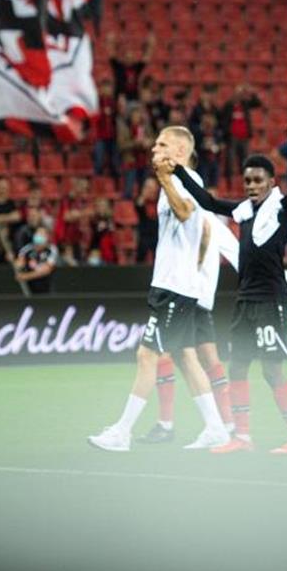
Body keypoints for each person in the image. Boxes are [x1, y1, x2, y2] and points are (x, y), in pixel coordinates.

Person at [88, 127, 231, 451]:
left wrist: (165, 180)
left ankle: (122, 432)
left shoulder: (184, 180)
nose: (154, 149)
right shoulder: (178, 182)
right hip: (173, 285)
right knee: (184, 357)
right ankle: (216, 428)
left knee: (147, 354)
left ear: (180, 152)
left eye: (162, 144)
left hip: (176, 287)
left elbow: (184, 213)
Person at [170, 151, 287, 455]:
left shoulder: (282, 209)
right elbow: (208, 203)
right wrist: (179, 172)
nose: (251, 185)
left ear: (271, 182)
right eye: (247, 180)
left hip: (271, 300)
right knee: (236, 368)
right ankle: (243, 437)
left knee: (271, 371)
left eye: (257, 180)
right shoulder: (244, 211)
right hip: (246, 300)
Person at [141, 211, 239, 444]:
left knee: (167, 352)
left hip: (186, 293)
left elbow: (231, 250)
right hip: (202, 298)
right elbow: (236, 252)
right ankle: (227, 424)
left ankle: (166, 424)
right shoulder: (207, 220)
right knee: (208, 360)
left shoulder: (197, 218)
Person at [14, 225, 57, 293]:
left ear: (47, 237)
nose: (39, 236)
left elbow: (46, 270)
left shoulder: (52, 249)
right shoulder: (27, 249)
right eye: (37, 233)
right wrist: (16, 263)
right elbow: (19, 263)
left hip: (47, 288)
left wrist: (26, 277)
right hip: (29, 289)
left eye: (42, 234)